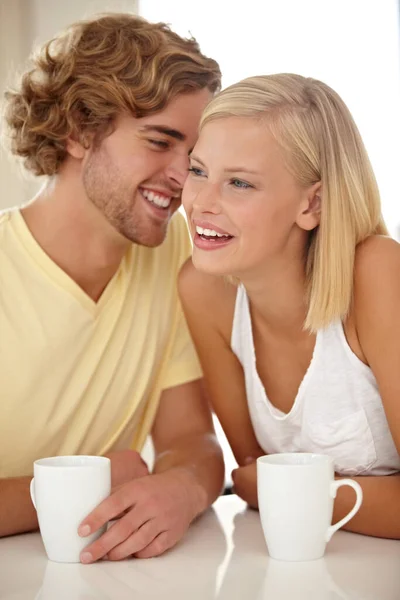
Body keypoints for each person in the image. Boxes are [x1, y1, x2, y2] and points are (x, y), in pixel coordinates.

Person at [0, 13, 225, 561]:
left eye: (193, 157)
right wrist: (85, 486)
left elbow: (189, 439)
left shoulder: (176, 258)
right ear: (79, 129)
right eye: (160, 141)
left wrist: (185, 488)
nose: (182, 179)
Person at [179, 73, 400, 539]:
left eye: (239, 183)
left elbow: (265, 487)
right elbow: (251, 472)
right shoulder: (203, 290)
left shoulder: (379, 273)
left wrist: (284, 491)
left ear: (313, 203)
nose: (201, 202)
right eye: (198, 171)